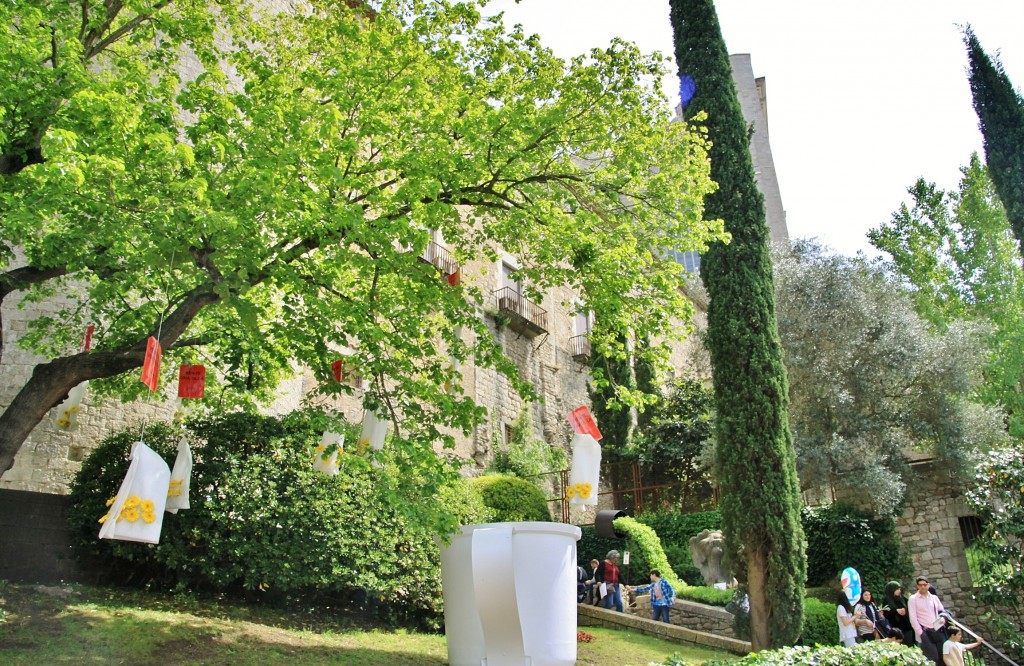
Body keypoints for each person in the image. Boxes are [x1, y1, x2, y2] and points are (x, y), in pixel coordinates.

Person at [908, 576, 946, 664]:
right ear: (917, 586)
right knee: (931, 658)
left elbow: (942, 611)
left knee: (942, 656)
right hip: (925, 632)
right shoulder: (913, 599)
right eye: (920, 585)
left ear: (928, 585)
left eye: (924, 585)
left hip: (937, 630)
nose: (922, 587)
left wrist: (943, 618)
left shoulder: (934, 598)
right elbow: (913, 618)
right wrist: (920, 632)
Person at [883, 581, 916, 646]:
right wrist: (896, 611)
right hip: (895, 629)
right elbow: (886, 614)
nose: (899, 591)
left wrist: (904, 611)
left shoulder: (903, 599)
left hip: (907, 627)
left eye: (899, 589)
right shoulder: (887, 600)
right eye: (897, 589)